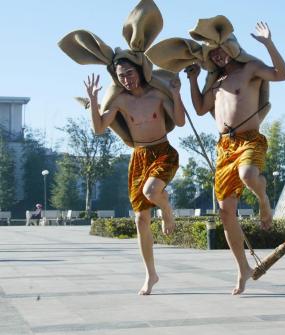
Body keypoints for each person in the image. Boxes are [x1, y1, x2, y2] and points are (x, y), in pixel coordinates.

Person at [59, 0, 186, 295]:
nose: (125, 79)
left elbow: (178, 121)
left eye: (129, 73)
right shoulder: (119, 100)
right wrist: (93, 101)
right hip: (139, 157)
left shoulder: (156, 94)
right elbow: (100, 128)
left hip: (163, 151)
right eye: (120, 76)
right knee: (141, 218)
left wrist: (177, 94)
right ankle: (150, 275)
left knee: (152, 193)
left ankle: (167, 211)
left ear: (140, 71)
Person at [184, 18, 285, 295]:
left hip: (249, 140)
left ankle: (264, 201)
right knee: (226, 211)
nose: (218, 55)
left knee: (248, 175)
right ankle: (243, 268)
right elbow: (198, 108)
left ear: (232, 48)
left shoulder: (250, 69)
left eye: (221, 49)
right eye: (212, 53)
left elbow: (282, 74)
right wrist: (193, 80)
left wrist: (268, 43)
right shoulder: (215, 83)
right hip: (224, 147)